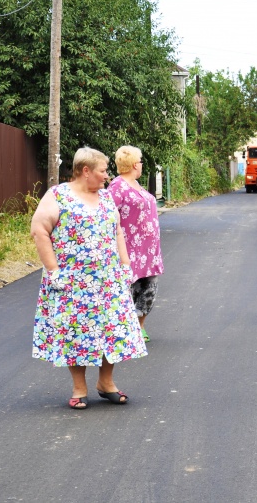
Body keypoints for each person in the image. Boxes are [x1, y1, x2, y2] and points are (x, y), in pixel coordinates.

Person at [31, 147, 147, 410]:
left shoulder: (106, 198)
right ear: (86, 171)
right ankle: (79, 387)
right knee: (77, 331)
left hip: (108, 280)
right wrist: (53, 271)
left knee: (113, 329)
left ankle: (106, 383)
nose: (107, 176)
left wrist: (126, 264)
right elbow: (39, 230)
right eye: (103, 171)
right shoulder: (58, 195)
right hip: (73, 283)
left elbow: (117, 231)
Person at [108, 145, 164, 343]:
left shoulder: (137, 185)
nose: (141, 164)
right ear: (134, 164)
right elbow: (108, 217)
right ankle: (126, 328)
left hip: (148, 251)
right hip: (129, 248)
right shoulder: (117, 187)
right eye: (140, 161)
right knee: (128, 290)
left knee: (149, 290)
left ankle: (140, 327)